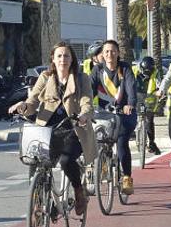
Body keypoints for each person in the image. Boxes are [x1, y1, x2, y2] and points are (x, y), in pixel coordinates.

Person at [10, 41, 97, 214]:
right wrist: (24, 106)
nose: (62, 59)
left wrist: (84, 114)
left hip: (74, 128)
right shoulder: (45, 77)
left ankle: (79, 191)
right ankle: (37, 202)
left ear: (72, 59)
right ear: (53, 59)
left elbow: (86, 101)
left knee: (66, 160)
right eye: (59, 55)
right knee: (35, 160)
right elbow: (33, 100)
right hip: (48, 129)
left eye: (66, 55)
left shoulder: (82, 78)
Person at [91, 40, 138, 195]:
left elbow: (131, 88)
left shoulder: (125, 69)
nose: (109, 54)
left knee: (121, 143)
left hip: (124, 114)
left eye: (112, 51)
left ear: (118, 53)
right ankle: (96, 171)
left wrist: (129, 104)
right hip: (105, 114)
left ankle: (126, 177)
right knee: (97, 140)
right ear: (102, 55)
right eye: (106, 52)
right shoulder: (97, 70)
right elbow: (89, 91)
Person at [132, 56, 162, 155]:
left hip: (150, 97)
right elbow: (127, 82)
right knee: (131, 115)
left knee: (149, 120)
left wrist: (160, 92)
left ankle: (152, 142)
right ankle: (132, 131)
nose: (147, 75)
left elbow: (159, 84)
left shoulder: (156, 73)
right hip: (137, 95)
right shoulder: (134, 70)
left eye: (149, 73)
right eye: (145, 72)